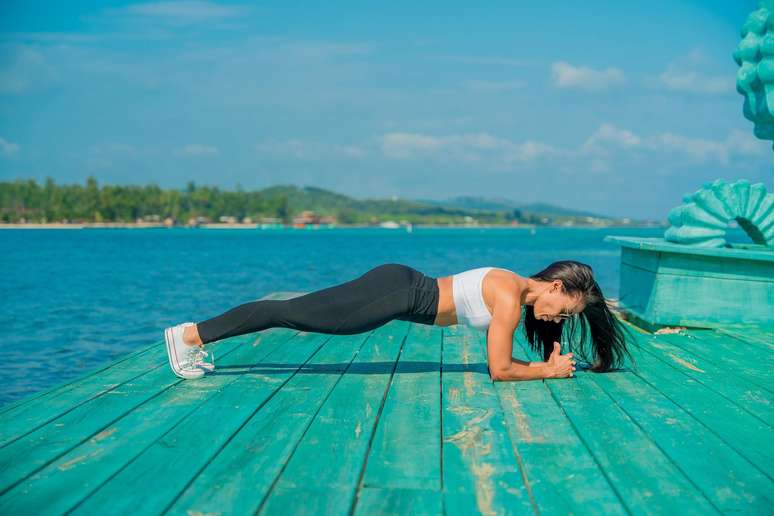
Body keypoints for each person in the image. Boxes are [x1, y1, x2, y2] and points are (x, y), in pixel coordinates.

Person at [164, 261, 637, 381]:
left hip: (398, 288)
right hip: (395, 294)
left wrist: (542, 361)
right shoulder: (510, 297)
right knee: (292, 314)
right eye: (566, 310)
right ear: (556, 286)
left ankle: (193, 335)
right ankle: (189, 335)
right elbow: (499, 370)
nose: (558, 319)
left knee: (296, 313)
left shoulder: (513, 286)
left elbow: (503, 356)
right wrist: (545, 370)